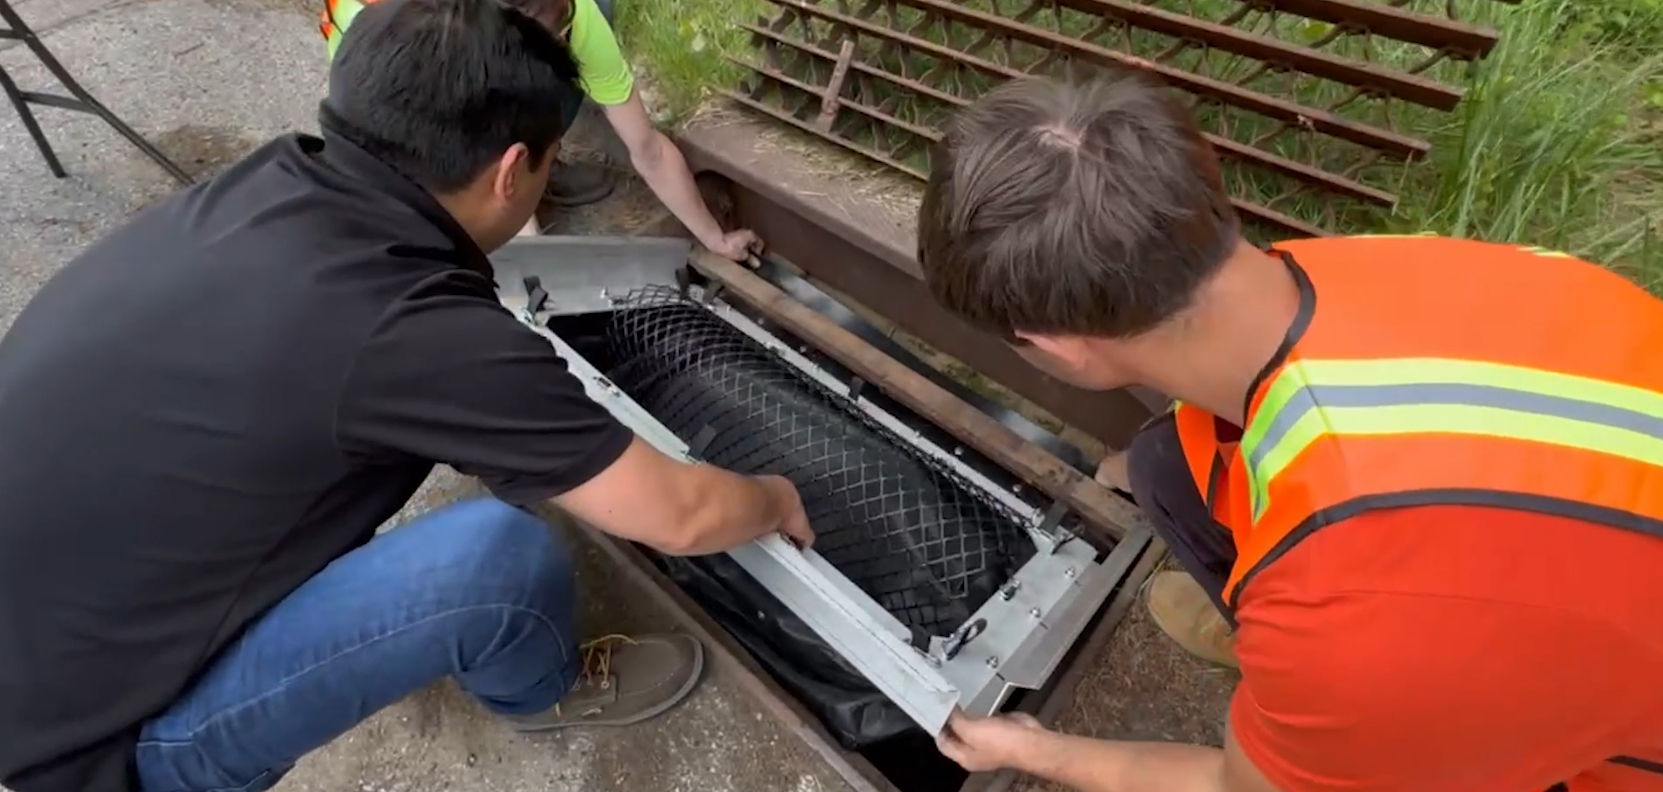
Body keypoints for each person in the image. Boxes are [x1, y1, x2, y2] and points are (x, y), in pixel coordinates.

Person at [0, 3, 814, 792]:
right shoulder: (415, 329)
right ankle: (540, 689)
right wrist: (773, 497)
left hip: (45, 614)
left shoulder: (264, 183)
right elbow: (680, 516)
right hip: (83, 751)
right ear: (510, 172)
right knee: (498, 558)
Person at [913, 69, 1663, 792]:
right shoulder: (1383, 266)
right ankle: (1294, 684)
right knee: (1165, 467)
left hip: (1616, 754)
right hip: (1578, 554)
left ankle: (1326, 719)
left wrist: (1040, 752)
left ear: (1057, 345)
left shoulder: (1352, 610)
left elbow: (1235, 787)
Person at [320, 0, 763, 257]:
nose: (569, 36)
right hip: (384, 73)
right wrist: (517, 247)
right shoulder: (400, 42)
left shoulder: (577, 15)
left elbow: (647, 148)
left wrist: (715, 238)